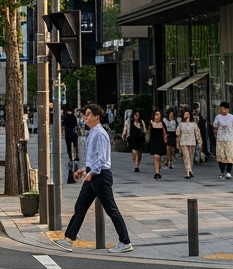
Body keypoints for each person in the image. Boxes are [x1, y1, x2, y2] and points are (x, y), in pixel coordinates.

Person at [56, 103, 133, 253]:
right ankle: (68, 239)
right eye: (85, 114)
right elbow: (94, 158)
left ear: (97, 117)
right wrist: (85, 169)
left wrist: (91, 172)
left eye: (89, 114)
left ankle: (125, 241)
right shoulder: (92, 132)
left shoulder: (99, 133)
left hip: (100, 176)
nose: (85, 117)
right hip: (94, 174)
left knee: (111, 209)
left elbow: (102, 158)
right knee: (80, 207)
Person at [213, 102, 233, 179]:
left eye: (223, 109)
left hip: (229, 139)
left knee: (229, 156)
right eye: (221, 109)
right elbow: (215, 126)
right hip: (220, 139)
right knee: (221, 156)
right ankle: (222, 171)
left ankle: (228, 171)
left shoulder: (232, 117)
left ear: (227, 109)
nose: (222, 111)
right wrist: (216, 131)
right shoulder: (218, 117)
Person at [176, 110, 201, 179]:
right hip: (184, 141)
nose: (186, 115)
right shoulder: (181, 124)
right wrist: (177, 143)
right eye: (185, 114)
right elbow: (177, 133)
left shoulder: (193, 124)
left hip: (192, 141)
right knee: (186, 156)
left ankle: (190, 170)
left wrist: (199, 142)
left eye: (187, 114)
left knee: (191, 157)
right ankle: (188, 171)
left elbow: (197, 133)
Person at [147, 110, 167, 180]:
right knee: (155, 156)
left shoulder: (163, 124)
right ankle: (157, 173)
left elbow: (165, 134)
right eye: (156, 114)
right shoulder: (151, 123)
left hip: (160, 142)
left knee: (159, 157)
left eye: (159, 114)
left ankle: (158, 169)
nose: (157, 116)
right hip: (153, 141)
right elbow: (148, 132)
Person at [62, 107, 81, 180]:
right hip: (71, 133)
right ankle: (72, 157)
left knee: (74, 145)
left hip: (71, 133)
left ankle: (75, 156)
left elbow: (75, 125)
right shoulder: (69, 117)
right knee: (70, 146)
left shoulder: (68, 117)